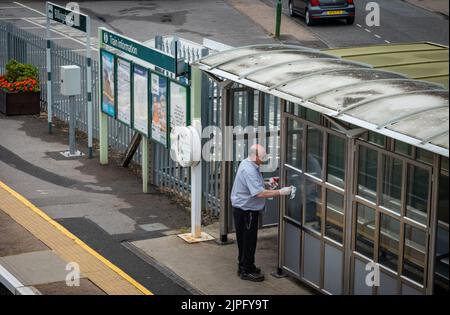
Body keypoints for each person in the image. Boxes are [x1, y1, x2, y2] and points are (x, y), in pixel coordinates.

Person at [231, 144, 292, 282]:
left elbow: (255, 186)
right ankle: (246, 270)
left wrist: (267, 183)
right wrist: (281, 192)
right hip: (247, 211)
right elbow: (259, 193)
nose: (264, 159)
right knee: (249, 241)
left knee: (244, 240)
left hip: (244, 209)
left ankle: (244, 266)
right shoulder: (250, 170)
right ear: (255, 156)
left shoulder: (247, 164)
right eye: (263, 156)